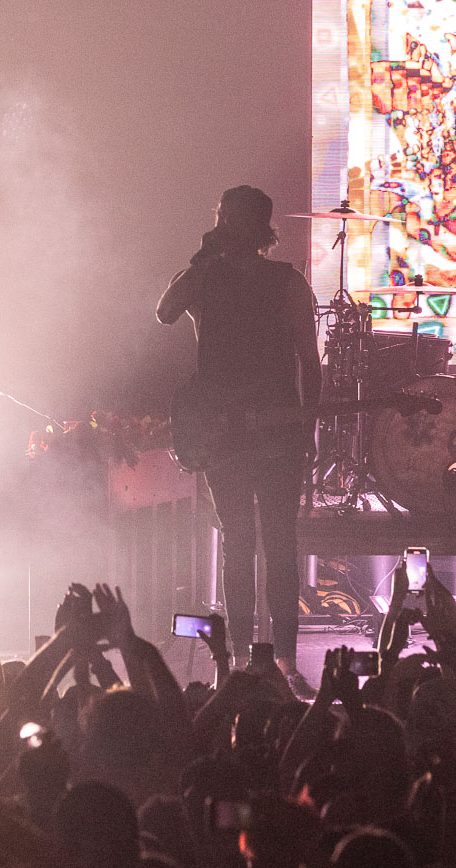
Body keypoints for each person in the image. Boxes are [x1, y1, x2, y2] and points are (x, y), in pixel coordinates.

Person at [156, 185, 320, 686]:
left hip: (275, 430)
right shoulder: (207, 276)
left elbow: (309, 362)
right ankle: (243, 661)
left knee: (276, 543)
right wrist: (204, 257)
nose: (225, 225)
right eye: (222, 217)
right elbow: (165, 310)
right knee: (241, 542)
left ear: (258, 226)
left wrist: (308, 427)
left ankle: (281, 659)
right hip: (224, 431)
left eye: (232, 218)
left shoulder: (285, 281)